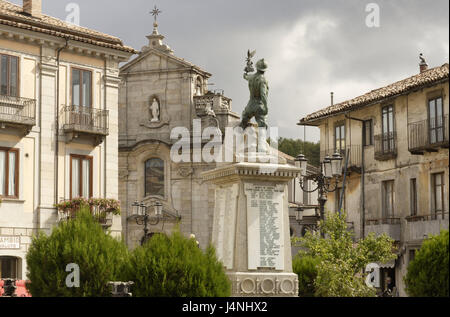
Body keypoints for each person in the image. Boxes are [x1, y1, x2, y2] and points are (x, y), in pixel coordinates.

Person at [239, 59, 269, 129]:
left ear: (257, 68)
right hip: (259, 105)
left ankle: (239, 135)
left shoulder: (251, 77)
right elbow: (263, 95)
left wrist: (246, 71)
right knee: (262, 126)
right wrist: (265, 107)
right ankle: (262, 139)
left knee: (244, 120)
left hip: (250, 105)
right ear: (265, 70)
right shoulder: (263, 80)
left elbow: (245, 76)